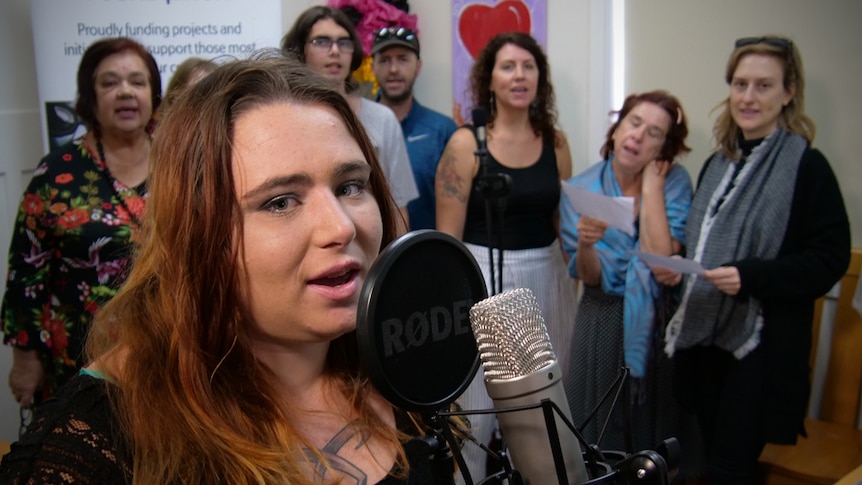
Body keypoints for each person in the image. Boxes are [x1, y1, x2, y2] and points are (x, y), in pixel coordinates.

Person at [0, 54, 452, 484]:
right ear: (199, 235)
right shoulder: (95, 439)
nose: (340, 226)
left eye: (351, 185)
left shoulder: (406, 366)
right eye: (280, 202)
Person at [659, 35, 850, 484]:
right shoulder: (718, 163)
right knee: (711, 460)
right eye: (740, 83)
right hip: (706, 341)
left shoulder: (808, 167)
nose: (748, 97)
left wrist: (750, 277)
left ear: (788, 93)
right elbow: (706, 248)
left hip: (759, 350)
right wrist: (678, 263)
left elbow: (829, 259)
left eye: (764, 86)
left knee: (730, 469)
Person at [434, 32, 578, 482]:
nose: (520, 75)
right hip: (482, 277)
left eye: (529, 66)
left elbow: (563, 222)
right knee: (474, 414)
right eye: (508, 66)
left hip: (547, 274)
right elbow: (447, 241)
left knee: (543, 410)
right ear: (489, 80)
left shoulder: (555, 142)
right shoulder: (465, 143)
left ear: (540, 78)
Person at [1, 37, 160, 409]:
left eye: (137, 82)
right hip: (78, 358)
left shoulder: (179, 164)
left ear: (153, 93)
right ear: (90, 97)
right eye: (109, 83)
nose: (125, 92)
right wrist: (25, 359)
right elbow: (26, 273)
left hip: (166, 351)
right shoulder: (56, 173)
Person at [559, 91, 693, 456]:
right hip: (600, 316)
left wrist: (652, 187)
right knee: (601, 435)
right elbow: (590, 277)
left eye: (654, 133)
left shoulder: (675, 182)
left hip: (656, 320)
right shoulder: (583, 188)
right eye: (634, 123)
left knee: (654, 435)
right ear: (617, 129)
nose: (638, 136)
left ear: (664, 148)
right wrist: (586, 244)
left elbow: (661, 260)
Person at [282, 6, 418, 235]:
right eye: (322, 42)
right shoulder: (285, 119)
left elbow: (398, 208)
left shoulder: (382, 119)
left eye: (344, 43)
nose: (335, 51)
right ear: (300, 50)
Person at [371, 26, 457, 230]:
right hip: (372, 257)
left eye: (403, 59)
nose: (393, 69)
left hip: (429, 255)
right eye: (384, 60)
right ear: (372, 66)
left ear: (418, 66)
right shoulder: (356, 126)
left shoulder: (443, 131)